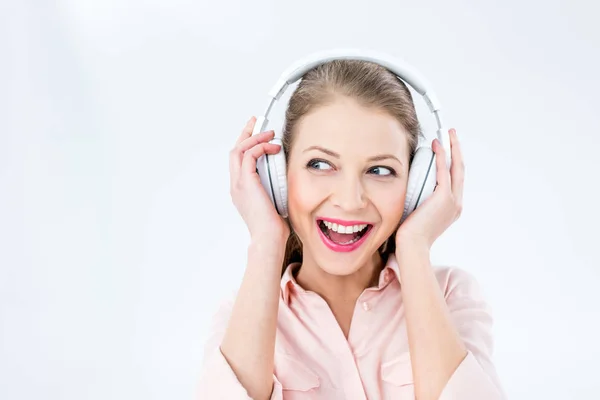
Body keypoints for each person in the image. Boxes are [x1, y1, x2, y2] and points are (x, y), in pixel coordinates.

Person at [198, 59, 505, 399]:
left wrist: (414, 247)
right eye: (320, 164)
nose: (350, 200)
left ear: (417, 185)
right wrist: (267, 240)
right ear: (278, 176)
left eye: (380, 171)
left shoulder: (452, 295)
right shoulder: (241, 312)